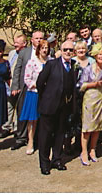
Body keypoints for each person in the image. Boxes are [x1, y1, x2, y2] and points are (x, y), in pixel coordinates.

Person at [36, 39, 78, 175]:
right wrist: (46, 98)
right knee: (45, 135)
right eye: (65, 49)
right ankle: (44, 163)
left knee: (60, 133)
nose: (68, 52)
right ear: (61, 50)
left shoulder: (74, 65)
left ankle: (57, 159)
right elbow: (39, 83)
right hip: (49, 105)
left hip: (64, 107)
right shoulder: (51, 64)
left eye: (70, 50)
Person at [12, 30, 45, 149]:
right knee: (23, 111)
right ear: (32, 40)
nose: (39, 40)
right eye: (37, 38)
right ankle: (21, 137)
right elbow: (17, 69)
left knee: (37, 114)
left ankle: (35, 138)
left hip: (41, 88)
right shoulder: (24, 52)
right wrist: (15, 86)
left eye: (41, 38)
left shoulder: (48, 51)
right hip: (25, 86)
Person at [78, 43, 102, 165]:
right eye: (100, 54)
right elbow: (82, 85)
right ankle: (84, 151)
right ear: (95, 55)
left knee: (97, 127)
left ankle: (93, 149)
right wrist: (95, 84)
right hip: (90, 98)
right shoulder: (89, 68)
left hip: (101, 98)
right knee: (87, 127)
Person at [20, 40, 50, 155]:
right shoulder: (32, 62)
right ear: (38, 49)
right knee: (32, 120)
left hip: (47, 95)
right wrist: (37, 85)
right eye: (42, 48)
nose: (44, 50)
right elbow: (27, 79)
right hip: (34, 93)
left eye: (46, 48)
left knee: (44, 120)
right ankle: (30, 141)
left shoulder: (50, 62)